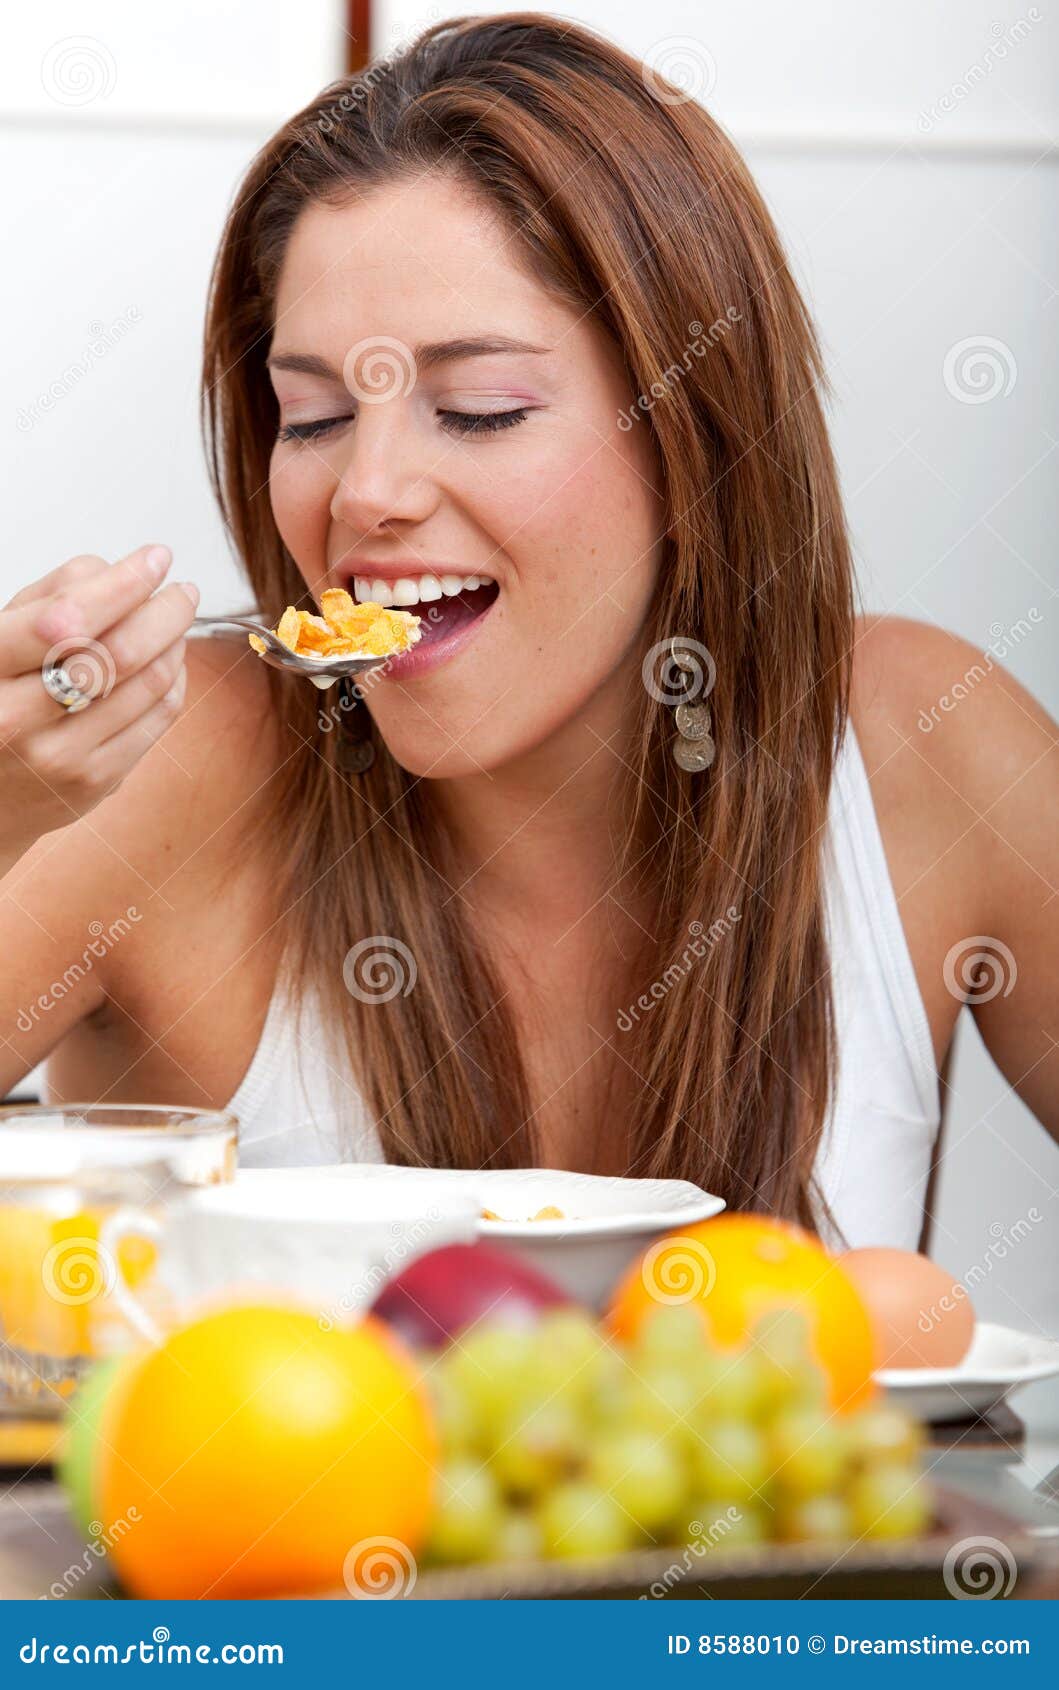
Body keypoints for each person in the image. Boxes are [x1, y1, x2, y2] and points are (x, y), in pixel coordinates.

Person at [1, 16, 1055, 1249]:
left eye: (481, 410)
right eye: (312, 414)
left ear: (692, 432)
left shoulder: (927, 751)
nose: (365, 494)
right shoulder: (152, 772)